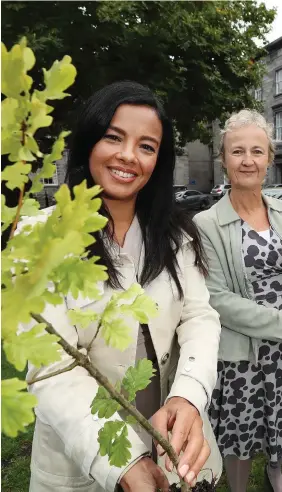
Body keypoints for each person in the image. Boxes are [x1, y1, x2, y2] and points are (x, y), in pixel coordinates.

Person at [25, 81, 222, 492]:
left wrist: (188, 396)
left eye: (147, 146)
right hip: (82, 448)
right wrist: (123, 461)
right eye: (114, 137)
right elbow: (52, 368)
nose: (128, 156)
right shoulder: (41, 240)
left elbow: (199, 317)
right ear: (89, 141)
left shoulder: (173, 235)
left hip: (167, 431)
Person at [194, 109, 282, 492]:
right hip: (242, 355)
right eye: (238, 151)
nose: (248, 160)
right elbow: (217, 298)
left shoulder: (281, 211)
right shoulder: (207, 224)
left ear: (269, 159)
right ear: (224, 159)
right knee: (239, 440)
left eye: (257, 151)